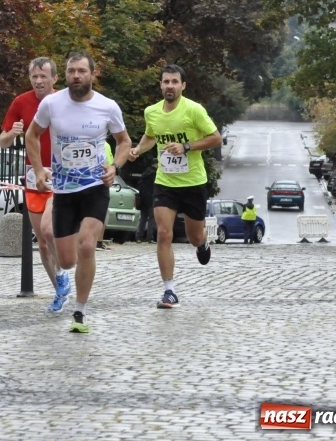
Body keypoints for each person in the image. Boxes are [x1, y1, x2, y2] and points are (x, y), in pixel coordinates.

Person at [25, 52, 131, 333]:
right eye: (71, 71)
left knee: (87, 245)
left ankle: (80, 311)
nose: (76, 76)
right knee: (68, 259)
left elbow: (123, 141)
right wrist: (38, 171)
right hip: (64, 190)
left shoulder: (107, 107)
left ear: (92, 74)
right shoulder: (51, 104)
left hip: (95, 187)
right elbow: (31, 135)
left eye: (81, 71)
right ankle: (68, 281)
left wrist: (115, 167)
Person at [128, 64, 222, 309]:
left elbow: (216, 138)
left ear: (183, 86)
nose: (169, 86)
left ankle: (202, 243)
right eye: (166, 81)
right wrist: (139, 148)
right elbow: (151, 136)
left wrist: (187, 146)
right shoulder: (152, 112)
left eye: (174, 82)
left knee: (193, 236)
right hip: (165, 182)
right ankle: (169, 290)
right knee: (163, 233)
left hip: (193, 182)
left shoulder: (194, 110)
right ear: (160, 85)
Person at [0, 57, 64, 312]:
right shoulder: (21, 102)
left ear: (54, 79)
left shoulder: (64, 101)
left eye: (43, 76)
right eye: (34, 77)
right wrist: (12, 134)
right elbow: (2, 141)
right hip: (33, 178)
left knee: (49, 231)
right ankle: (59, 288)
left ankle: (65, 273)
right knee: (44, 241)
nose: (38, 81)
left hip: (61, 176)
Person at [136, 159, 158, 243]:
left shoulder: (145, 173)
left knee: (143, 218)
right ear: (155, 164)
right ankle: (150, 237)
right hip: (151, 197)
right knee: (152, 218)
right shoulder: (155, 173)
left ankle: (139, 236)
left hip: (143, 198)